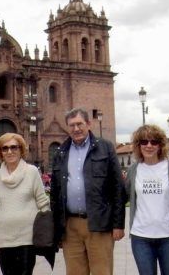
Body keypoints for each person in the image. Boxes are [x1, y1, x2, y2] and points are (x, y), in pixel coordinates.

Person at [50, 108, 125, 275]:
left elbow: (118, 187)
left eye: (79, 124)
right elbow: (55, 193)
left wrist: (118, 224)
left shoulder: (105, 148)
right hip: (70, 226)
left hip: (99, 222)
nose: (76, 129)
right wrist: (58, 229)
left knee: (101, 271)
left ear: (88, 124)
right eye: (72, 125)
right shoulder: (61, 152)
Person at [124, 125, 169, 275]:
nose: (149, 145)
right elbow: (123, 197)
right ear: (138, 145)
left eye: (154, 142)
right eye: (144, 142)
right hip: (141, 236)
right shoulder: (133, 170)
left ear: (160, 145)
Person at [0, 133, 50, 275]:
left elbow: (43, 202)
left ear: (21, 150)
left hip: (27, 237)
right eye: (5, 148)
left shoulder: (32, 172)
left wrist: (47, 232)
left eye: (14, 147)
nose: (9, 151)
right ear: (0, 153)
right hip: (4, 237)